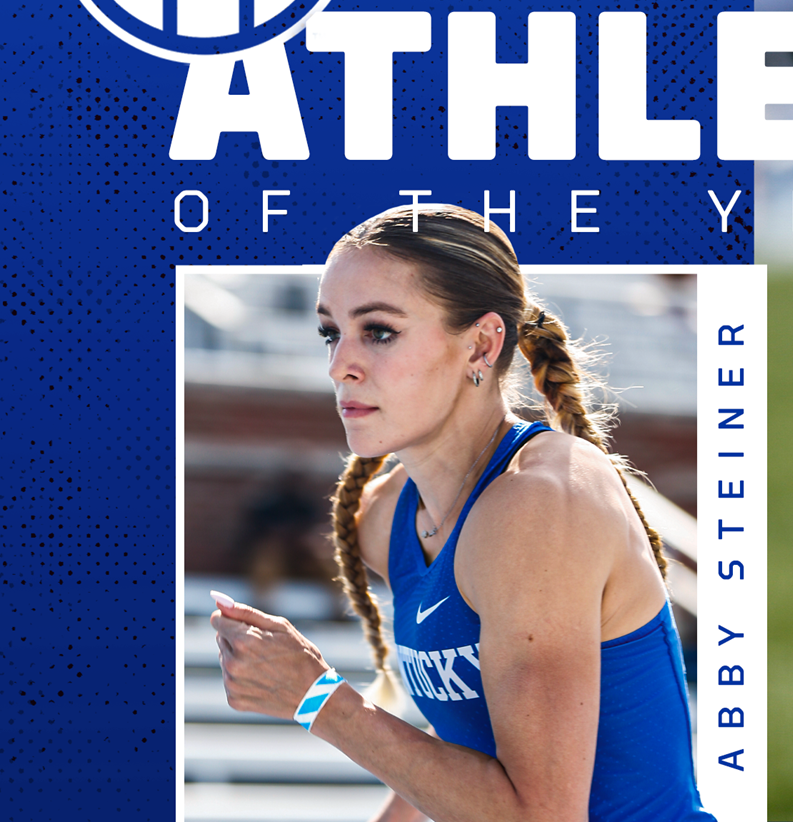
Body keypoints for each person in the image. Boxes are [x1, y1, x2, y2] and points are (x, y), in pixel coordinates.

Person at [210, 204, 714, 822]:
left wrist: (317, 700)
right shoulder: (388, 515)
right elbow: (458, 755)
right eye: (330, 332)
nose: (341, 362)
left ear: (481, 344)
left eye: (379, 331)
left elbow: (540, 817)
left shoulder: (543, 500)